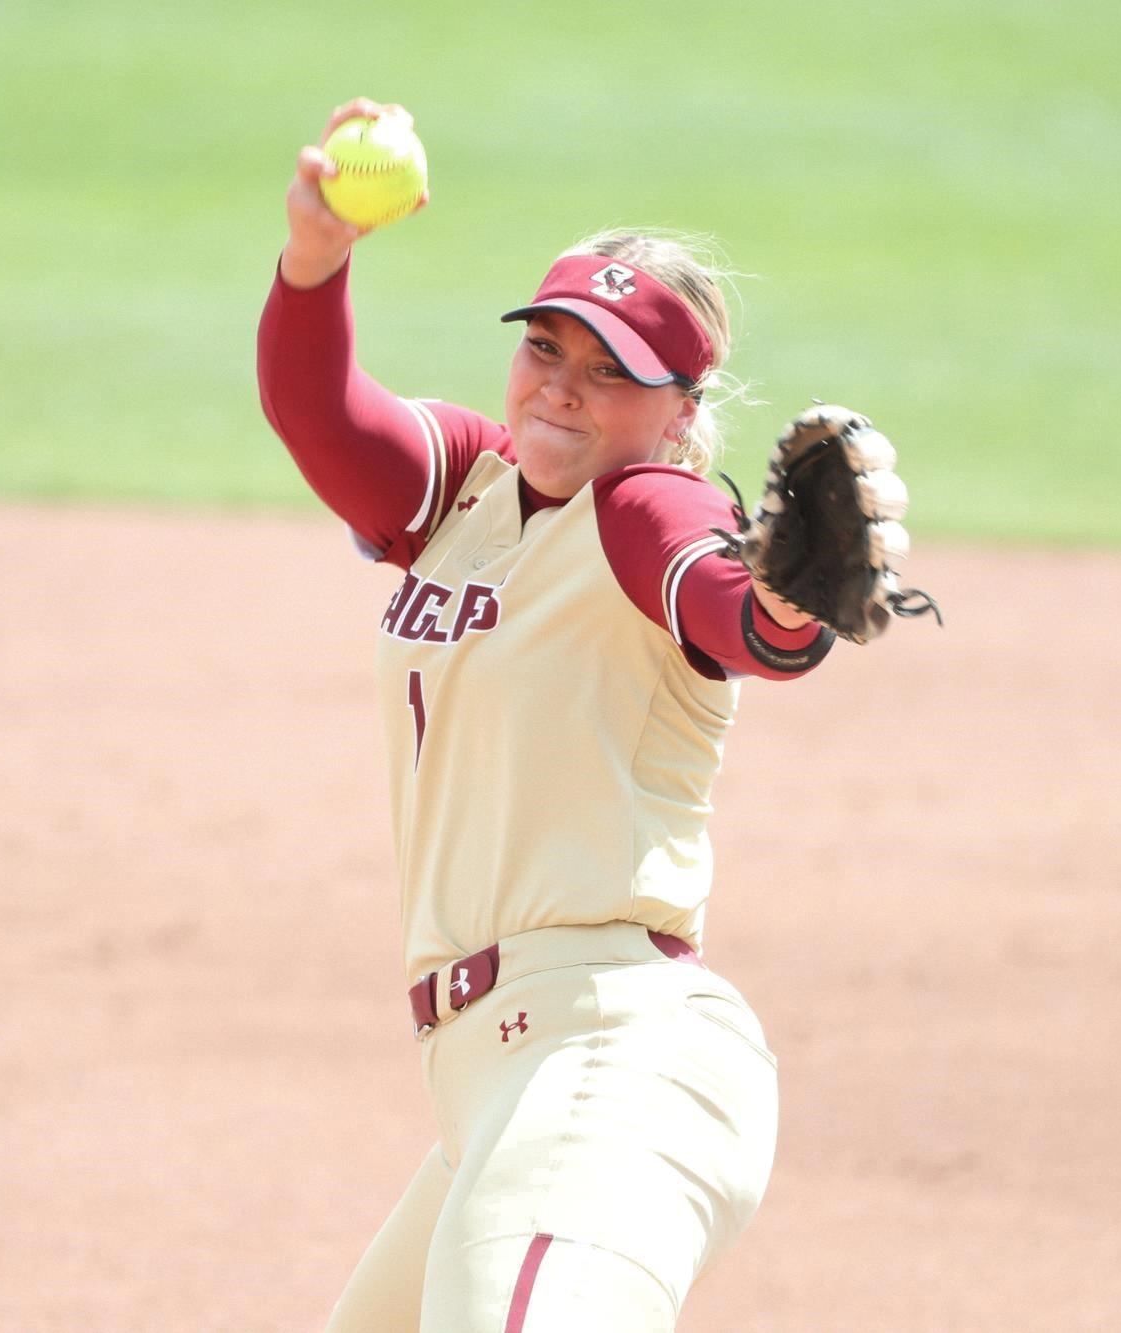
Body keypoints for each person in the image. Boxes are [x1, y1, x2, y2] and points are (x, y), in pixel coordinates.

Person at [258, 98, 840, 1332]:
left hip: (610, 1067)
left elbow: (739, 613)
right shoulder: (466, 488)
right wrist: (315, 266)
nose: (562, 394)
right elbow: (322, 419)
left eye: (608, 375)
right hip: (498, 1094)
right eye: (546, 353)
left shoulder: (647, 508)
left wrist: (791, 605)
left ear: (678, 410)